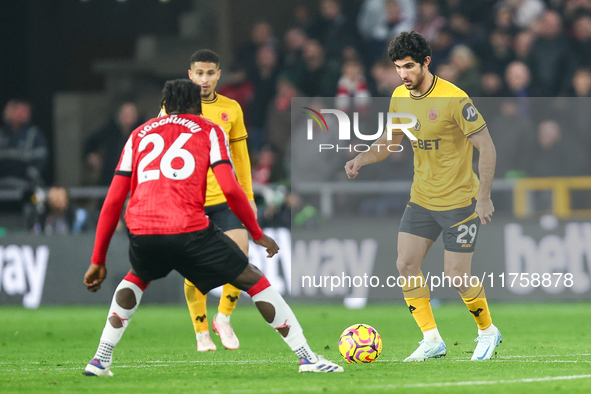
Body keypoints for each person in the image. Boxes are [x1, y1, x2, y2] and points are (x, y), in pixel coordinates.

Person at [83, 79, 343, 376]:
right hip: (187, 227)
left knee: (138, 278)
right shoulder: (210, 130)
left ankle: (101, 358)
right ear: (197, 105)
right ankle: (307, 357)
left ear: (165, 106)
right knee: (252, 278)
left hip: (142, 228)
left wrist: (97, 260)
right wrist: (256, 233)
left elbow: (113, 200)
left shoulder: (138, 134)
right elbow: (232, 190)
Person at [344, 31, 501, 362]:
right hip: (422, 199)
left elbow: (486, 146)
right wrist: (363, 157)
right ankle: (432, 339)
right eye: (398, 67)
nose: (403, 74)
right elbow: (390, 141)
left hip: (459, 201)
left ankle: (487, 331)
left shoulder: (454, 99)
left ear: (426, 62)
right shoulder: (400, 96)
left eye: (410, 66)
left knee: (457, 276)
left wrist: (484, 196)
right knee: (405, 263)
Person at [159, 49, 257, 352]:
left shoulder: (232, 109)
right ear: (190, 75)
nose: (204, 79)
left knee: (240, 257)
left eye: (210, 73)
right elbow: (160, 151)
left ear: (218, 75)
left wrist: (248, 197)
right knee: (194, 267)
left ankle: (223, 318)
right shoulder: (172, 107)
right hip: (188, 200)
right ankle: (201, 332)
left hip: (225, 198)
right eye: (198, 73)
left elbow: (240, 158)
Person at [84, 102, 141, 186]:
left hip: (135, 179)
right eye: (126, 114)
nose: (128, 118)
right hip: (110, 178)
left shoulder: (143, 132)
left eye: (131, 114)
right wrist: (91, 156)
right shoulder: (109, 131)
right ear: (119, 116)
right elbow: (90, 143)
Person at [0, 99, 48, 190]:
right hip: (2, 188)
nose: (25, 114)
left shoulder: (34, 134)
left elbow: (41, 159)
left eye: (27, 111)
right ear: (10, 111)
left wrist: (29, 177)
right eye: (21, 110)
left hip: (26, 187)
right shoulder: (1, 134)